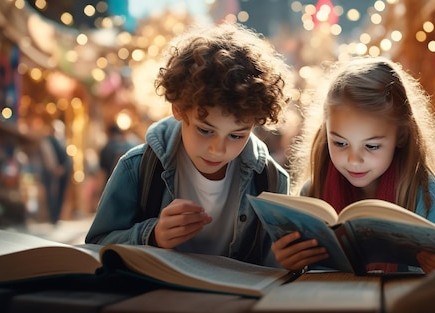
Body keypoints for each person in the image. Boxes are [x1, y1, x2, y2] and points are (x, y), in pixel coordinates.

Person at [85, 22, 293, 267]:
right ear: (179, 110)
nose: (218, 149)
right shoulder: (138, 168)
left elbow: (273, 266)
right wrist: (153, 236)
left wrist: (289, 260)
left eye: (236, 135)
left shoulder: (270, 180)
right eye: (205, 130)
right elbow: (95, 246)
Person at [273, 57, 435, 274]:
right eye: (340, 143)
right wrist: (289, 263)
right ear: (326, 133)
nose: (353, 160)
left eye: (371, 146)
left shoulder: (429, 202)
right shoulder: (313, 193)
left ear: (400, 137)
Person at [39, 120, 72, 225]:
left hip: (62, 172)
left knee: (60, 194)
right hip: (51, 172)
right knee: (51, 194)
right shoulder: (47, 141)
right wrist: (55, 168)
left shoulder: (62, 141)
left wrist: (64, 168)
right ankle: (53, 216)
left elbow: (67, 157)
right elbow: (48, 157)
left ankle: (56, 217)